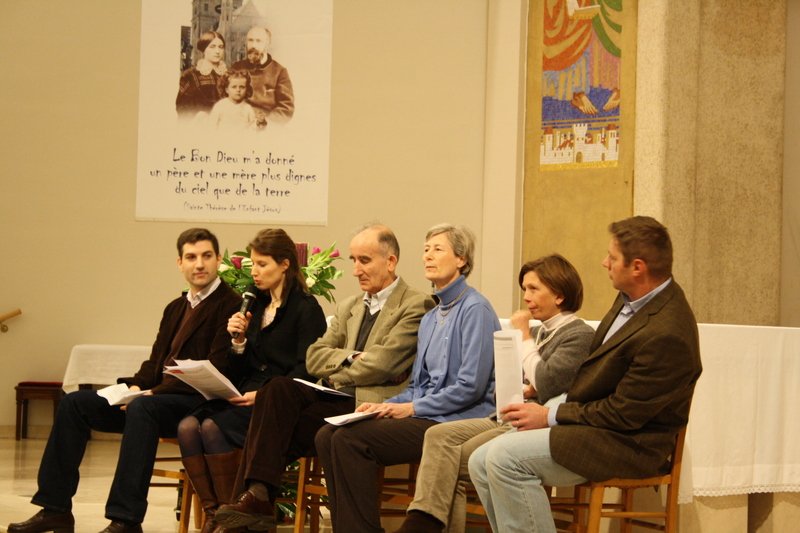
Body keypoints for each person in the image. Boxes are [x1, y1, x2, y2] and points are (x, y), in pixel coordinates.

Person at [468, 216, 703, 533]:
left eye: (612, 257)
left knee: (504, 459)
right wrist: (550, 407)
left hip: (629, 442)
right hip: (596, 424)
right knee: (480, 461)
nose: (604, 262)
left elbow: (623, 414)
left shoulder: (667, 332)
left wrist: (551, 415)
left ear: (637, 267)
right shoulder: (631, 297)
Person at [8, 228, 241, 533]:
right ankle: (55, 509)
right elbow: (156, 363)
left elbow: (217, 366)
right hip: (158, 398)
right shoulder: (175, 307)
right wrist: (133, 388)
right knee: (75, 404)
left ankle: (126, 519)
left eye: (206, 256)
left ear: (218, 260)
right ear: (179, 263)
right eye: (191, 257)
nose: (199, 264)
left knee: (143, 409)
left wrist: (150, 393)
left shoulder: (231, 305)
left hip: (197, 403)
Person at [212, 223, 433, 531]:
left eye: (364, 260)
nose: (356, 270)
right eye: (353, 260)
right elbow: (315, 357)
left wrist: (341, 361)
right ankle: (257, 499)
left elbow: (382, 364)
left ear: (391, 261)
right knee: (277, 390)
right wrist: (354, 358)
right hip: (339, 396)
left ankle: (251, 506)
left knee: (278, 427)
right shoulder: (349, 306)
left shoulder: (415, 304)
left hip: (372, 402)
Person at [314, 223, 500, 533]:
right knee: (326, 436)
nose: (427, 256)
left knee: (351, 440)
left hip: (456, 420)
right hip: (426, 413)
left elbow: (471, 387)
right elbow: (416, 386)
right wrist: (385, 406)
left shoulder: (475, 309)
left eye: (437, 249)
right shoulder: (430, 317)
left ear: (461, 260)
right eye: (425, 249)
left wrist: (410, 409)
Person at [394, 254, 595, 533]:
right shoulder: (540, 333)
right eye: (524, 289)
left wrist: (523, 336)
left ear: (559, 295)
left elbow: (547, 381)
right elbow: (532, 380)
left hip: (537, 425)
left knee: (451, 461)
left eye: (534, 289)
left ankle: (423, 525)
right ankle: (427, 522)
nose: (526, 297)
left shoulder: (578, 333)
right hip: (509, 414)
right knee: (438, 436)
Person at [175, 228, 326, 533]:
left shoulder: (305, 309)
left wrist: (264, 395)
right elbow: (243, 367)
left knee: (211, 427)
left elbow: (307, 369)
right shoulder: (254, 306)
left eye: (262, 264)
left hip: (278, 403)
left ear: (285, 264)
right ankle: (216, 514)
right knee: (188, 426)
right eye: (253, 264)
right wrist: (239, 341)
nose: (254, 272)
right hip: (245, 395)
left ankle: (230, 521)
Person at [231, 26, 294, 127]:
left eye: (258, 41)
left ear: (267, 44)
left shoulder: (280, 71)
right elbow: (225, 98)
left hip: (265, 127)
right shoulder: (236, 67)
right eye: (250, 40)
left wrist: (263, 122)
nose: (253, 45)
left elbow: (286, 108)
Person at [176, 31, 227, 119]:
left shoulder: (228, 74)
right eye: (212, 47)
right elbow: (182, 108)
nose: (217, 51)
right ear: (204, 49)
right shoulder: (191, 75)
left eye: (221, 47)